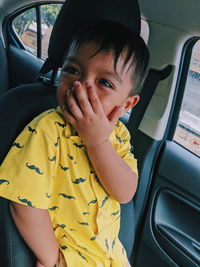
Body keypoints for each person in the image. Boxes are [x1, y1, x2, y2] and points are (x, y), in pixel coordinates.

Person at [0, 21, 149, 267]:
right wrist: (53, 259)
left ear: (127, 104)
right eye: (73, 70)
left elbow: (124, 193)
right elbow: (24, 203)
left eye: (105, 82)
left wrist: (98, 141)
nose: (80, 86)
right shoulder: (48, 129)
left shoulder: (119, 134)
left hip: (112, 258)